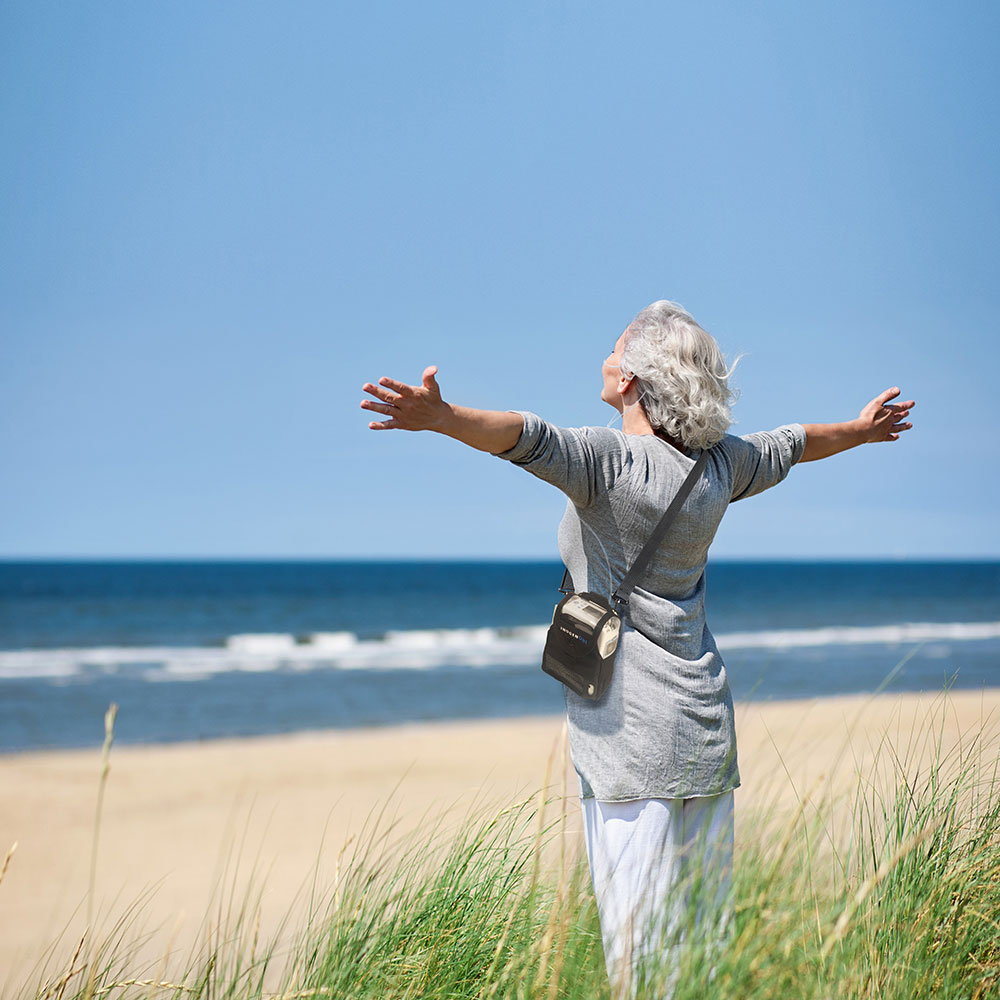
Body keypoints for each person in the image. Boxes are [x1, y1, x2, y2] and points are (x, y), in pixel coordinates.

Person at [358, 299, 914, 997]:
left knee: (635, 959)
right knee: (700, 957)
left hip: (630, 743)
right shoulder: (719, 468)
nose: (604, 357)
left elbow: (524, 436)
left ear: (634, 380)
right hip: (706, 733)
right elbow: (793, 443)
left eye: (615, 349)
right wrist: (861, 432)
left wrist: (444, 418)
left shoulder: (608, 461)